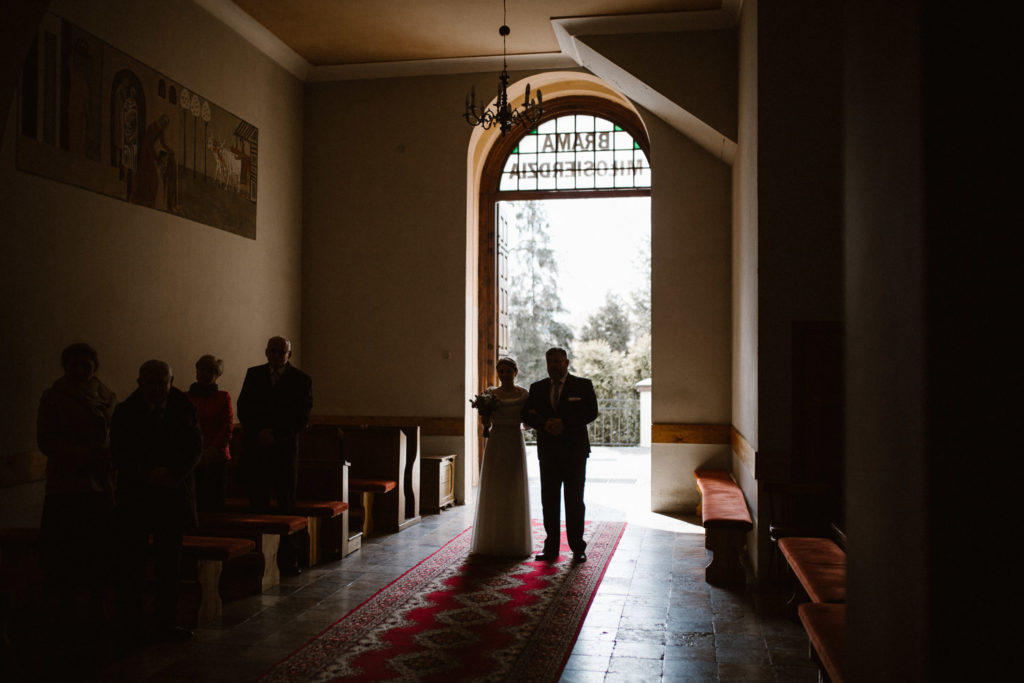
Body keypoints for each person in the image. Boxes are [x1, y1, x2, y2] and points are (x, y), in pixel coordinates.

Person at [111, 360, 201, 643]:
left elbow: (194, 446)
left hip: (171, 495)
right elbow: (120, 450)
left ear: (171, 381)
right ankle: (131, 621)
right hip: (137, 495)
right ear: (140, 383)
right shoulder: (126, 411)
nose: (158, 389)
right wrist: (148, 473)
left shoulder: (183, 407)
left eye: (164, 383)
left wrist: (172, 472)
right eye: (151, 383)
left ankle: (166, 621)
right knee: (132, 562)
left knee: (169, 563)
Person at [36, 342, 117, 629]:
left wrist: (109, 456)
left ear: (95, 366)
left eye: (87, 365)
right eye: (75, 365)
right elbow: (46, 440)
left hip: (100, 485)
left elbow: (115, 434)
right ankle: (66, 610)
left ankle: (96, 605)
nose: (81, 370)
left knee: (98, 550)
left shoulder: (106, 396)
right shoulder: (54, 397)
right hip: (68, 485)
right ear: (66, 366)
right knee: (66, 551)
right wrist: (83, 455)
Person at [237, 336, 313, 575]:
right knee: (257, 502)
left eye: (282, 351)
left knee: (285, 504)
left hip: (283, 449)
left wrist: (277, 434)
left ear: (289, 354)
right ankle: (256, 560)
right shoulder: (254, 375)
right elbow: (244, 407)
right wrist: (258, 432)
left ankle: (288, 559)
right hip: (257, 448)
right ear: (266, 352)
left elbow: (302, 415)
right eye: (272, 351)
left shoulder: (301, 380)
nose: (277, 355)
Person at [522, 347, 598, 563]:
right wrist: (545, 423)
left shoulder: (583, 385)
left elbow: (591, 412)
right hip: (548, 452)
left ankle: (577, 547)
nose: (553, 365)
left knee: (574, 500)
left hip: (574, 452)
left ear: (566, 362)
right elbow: (526, 413)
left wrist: (564, 423)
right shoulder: (537, 388)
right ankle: (551, 547)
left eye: (557, 361)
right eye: (550, 361)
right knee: (549, 500)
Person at [470, 357, 532, 558]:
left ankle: (514, 540)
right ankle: (491, 539)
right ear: (498, 373)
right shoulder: (490, 394)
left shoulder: (523, 394)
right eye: (501, 371)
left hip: (514, 439)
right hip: (496, 441)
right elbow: (485, 423)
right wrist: (485, 420)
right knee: (495, 485)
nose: (504, 374)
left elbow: (528, 422)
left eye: (508, 371)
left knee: (513, 485)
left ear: (515, 372)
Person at [186, 354, 234, 511]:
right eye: (202, 370)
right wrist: (196, 452)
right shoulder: (186, 397)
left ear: (216, 375)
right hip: (192, 457)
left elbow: (227, 427)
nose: (205, 374)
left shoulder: (223, 397)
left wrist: (211, 451)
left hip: (217, 457)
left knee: (215, 503)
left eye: (210, 371)